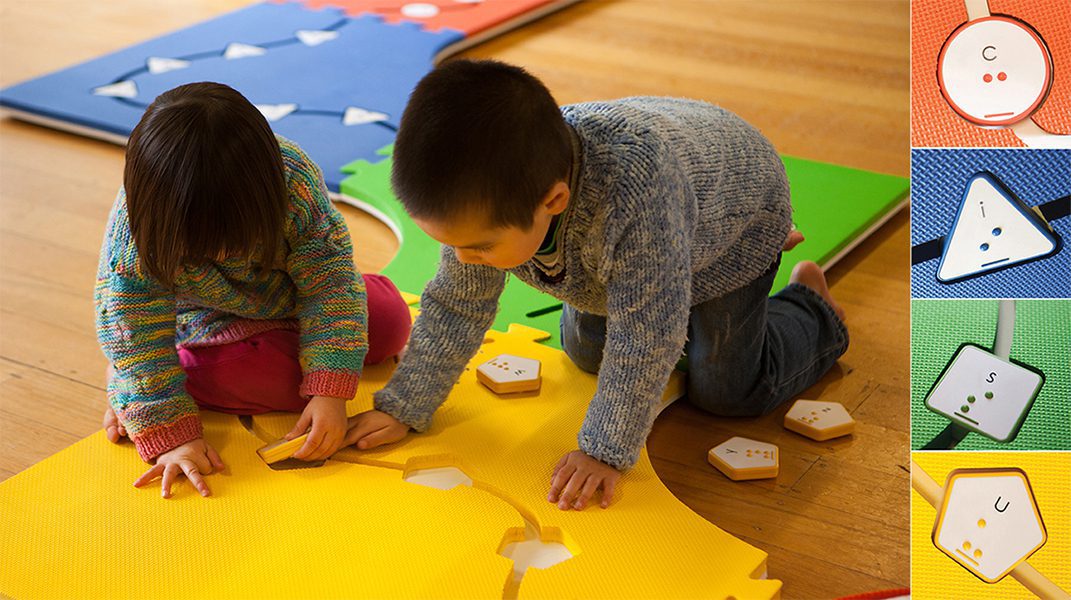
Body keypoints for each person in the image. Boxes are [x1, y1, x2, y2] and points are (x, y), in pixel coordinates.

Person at [346, 58, 849, 511]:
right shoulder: (489, 201)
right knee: (586, 354)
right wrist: (405, 405)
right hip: (653, 227)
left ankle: (811, 307)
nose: (462, 258)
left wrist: (605, 452)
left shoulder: (635, 196)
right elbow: (457, 304)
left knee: (727, 391)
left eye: (477, 246)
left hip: (737, 221)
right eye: (449, 243)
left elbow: (645, 336)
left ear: (555, 199)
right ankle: (669, 289)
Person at [96, 82, 411, 498]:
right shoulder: (135, 233)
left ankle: (152, 383)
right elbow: (131, 331)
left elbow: (330, 282)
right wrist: (169, 431)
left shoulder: (292, 179)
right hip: (207, 321)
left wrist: (329, 391)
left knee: (392, 321)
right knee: (273, 382)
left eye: (234, 236)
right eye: (203, 244)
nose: (222, 251)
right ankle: (132, 387)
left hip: (286, 299)